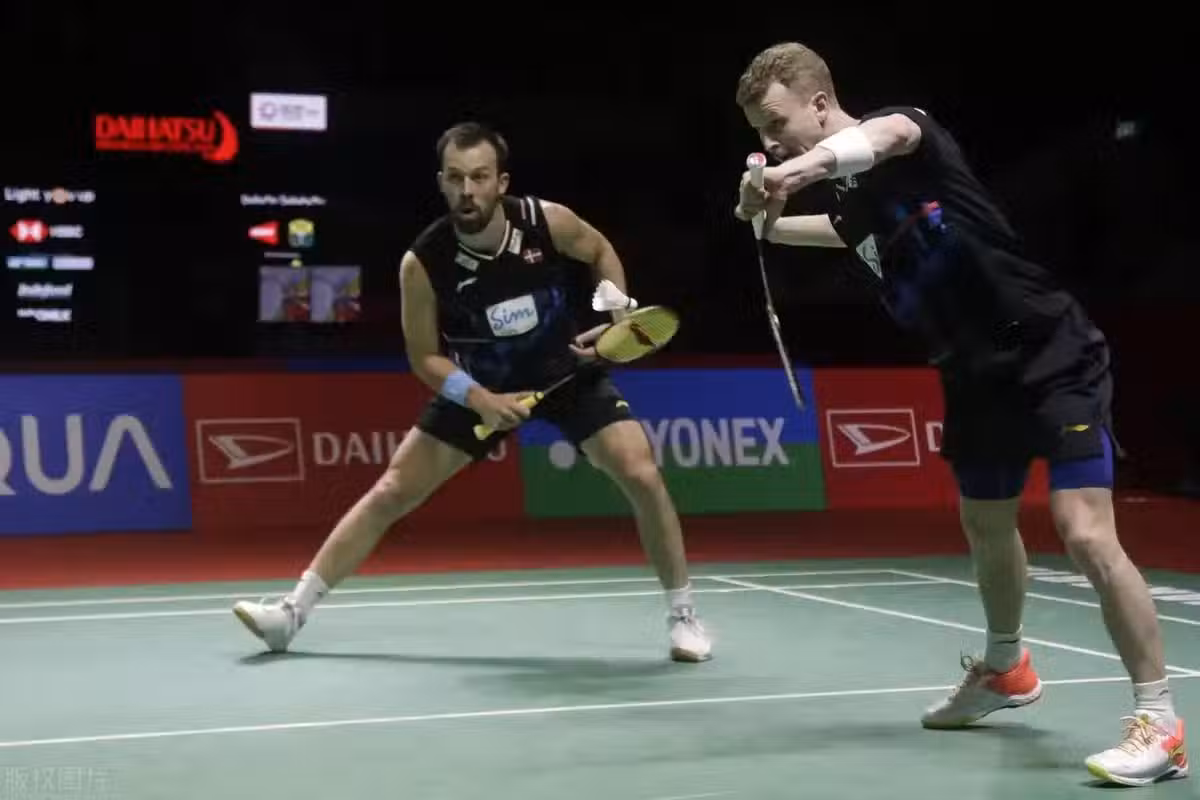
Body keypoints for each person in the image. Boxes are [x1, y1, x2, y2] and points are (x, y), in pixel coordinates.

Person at [731, 42, 1186, 787]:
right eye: (759, 131)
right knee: (984, 523)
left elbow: (879, 140)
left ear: (819, 102)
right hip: (972, 372)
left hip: (1047, 349)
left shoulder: (902, 130)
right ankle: (1006, 668)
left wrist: (792, 173)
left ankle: (1160, 721)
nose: (770, 140)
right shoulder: (848, 198)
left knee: (1083, 531)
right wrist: (766, 222)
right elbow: (847, 232)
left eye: (776, 123)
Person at [232, 121, 712, 663]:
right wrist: (481, 399)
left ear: (501, 182)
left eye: (480, 177)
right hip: (481, 384)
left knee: (640, 472)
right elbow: (424, 357)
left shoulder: (545, 222)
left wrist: (618, 316)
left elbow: (599, 249)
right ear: (441, 182)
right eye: (456, 178)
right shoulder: (424, 262)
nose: (468, 190)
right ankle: (290, 615)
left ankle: (683, 617)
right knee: (392, 490)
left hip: (566, 373)